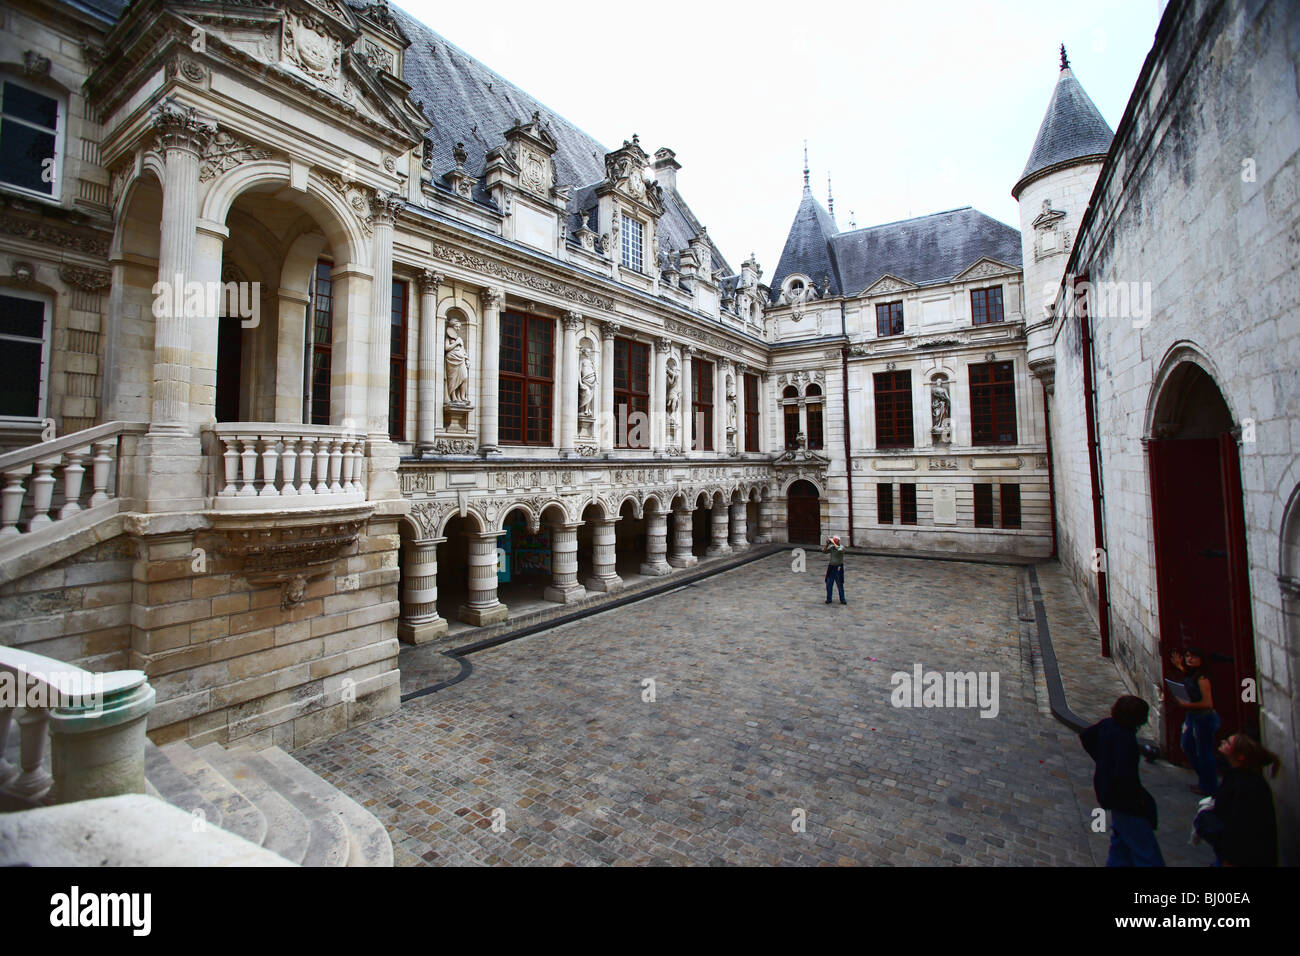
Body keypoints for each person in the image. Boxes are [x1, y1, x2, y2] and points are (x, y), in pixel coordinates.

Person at [1080, 695, 1164, 866]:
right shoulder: (1126, 739)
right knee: (1145, 853)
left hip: (1109, 793)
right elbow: (1125, 774)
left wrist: (1102, 762)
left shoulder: (1107, 724)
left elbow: (1087, 736)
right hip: (1126, 800)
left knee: (1120, 845)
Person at [1209, 734, 1280, 866]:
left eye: (1228, 742)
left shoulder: (1248, 786)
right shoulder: (1235, 775)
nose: (1223, 741)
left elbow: (1241, 827)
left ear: (1240, 757)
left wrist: (1229, 859)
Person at [1169, 646, 1220, 795]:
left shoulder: (1203, 679)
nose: (1190, 659)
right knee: (1188, 746)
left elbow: (1208, 703)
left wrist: (1186, 705)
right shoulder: (1192, 674)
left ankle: (1209, 786)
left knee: (1204, 753)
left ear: (1201, 660)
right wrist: (1179, 666)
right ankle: (1205, 781)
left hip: (1204, 717)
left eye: (1194, 657)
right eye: (1188, 656)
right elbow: (1188, 680)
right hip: (1193, 717)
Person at [822, 535, 845, 605]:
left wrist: (833, 543)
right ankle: (829, 599)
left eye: (835, 540)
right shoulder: (831, 547)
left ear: (838, 541)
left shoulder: (842, 547)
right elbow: (824, 551)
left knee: (839, 584)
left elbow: (839, 550)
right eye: (833, 540)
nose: (834, 541)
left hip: (839, 568)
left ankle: (842, 599)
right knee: (829, 583)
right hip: (831, 567)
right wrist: (827, 544)